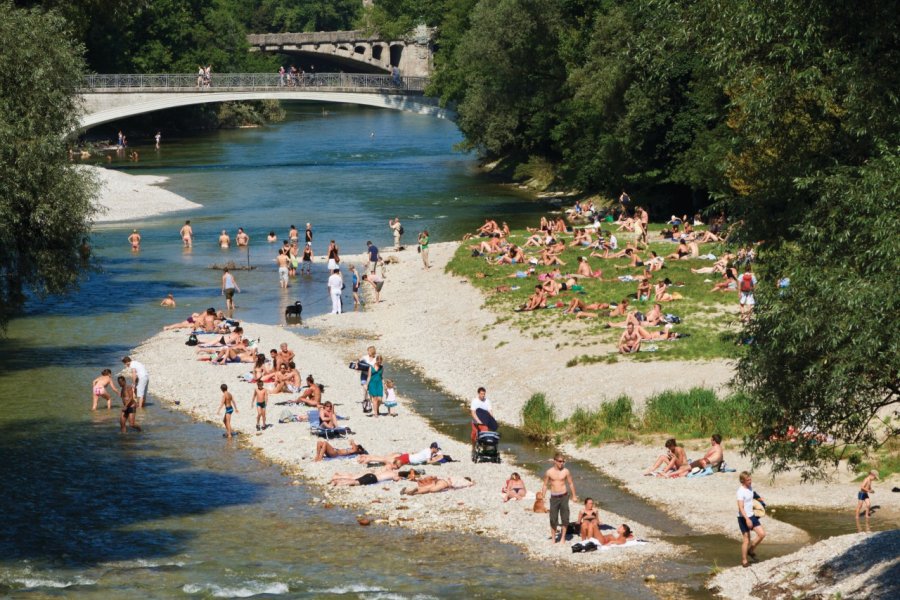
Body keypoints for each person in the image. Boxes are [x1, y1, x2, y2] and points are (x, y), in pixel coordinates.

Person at [541, 453, 579, 544]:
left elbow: (570, 483)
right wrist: (543, 496)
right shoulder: (549, 472)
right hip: (554, 497)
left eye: (563, 461)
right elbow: (545, 485)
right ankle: (554, 538)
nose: (562, 463)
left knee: (565, 518)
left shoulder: (566, 471)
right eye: (560, 461)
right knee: (553, 518)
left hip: (564, 496)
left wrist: (574, 495)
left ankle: (563, 538)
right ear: (555, 461)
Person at [737, 471, 766, 567]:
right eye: (748, 480)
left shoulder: (749, 487)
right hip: (743, 517)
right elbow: (741, 507)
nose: (750, 481)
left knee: (762, 534)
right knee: (746, 540)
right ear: (742, 481)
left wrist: (760, 499)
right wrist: (747, 519)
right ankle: (744, 561)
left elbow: (753, 494)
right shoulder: (740, 492)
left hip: (752, 515)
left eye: (750, 479)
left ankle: (751, 550)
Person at [400, 476, 474, 496]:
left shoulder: (457, 476)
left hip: (440, 480)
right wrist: (472, 482)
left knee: (427, 488)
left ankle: (407, 491)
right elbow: (470, 483)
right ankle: (414, 492)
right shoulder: (465, 481)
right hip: (444, 484)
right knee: (431, 490)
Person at [330, 467, 401, 487]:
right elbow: (396, 479)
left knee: (355, 479)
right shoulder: (395, 474)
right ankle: (338, 483)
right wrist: (400, 478)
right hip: (373, 478)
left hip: (371, 475)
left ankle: (337, 480)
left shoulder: (389, 471)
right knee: (356, 482)